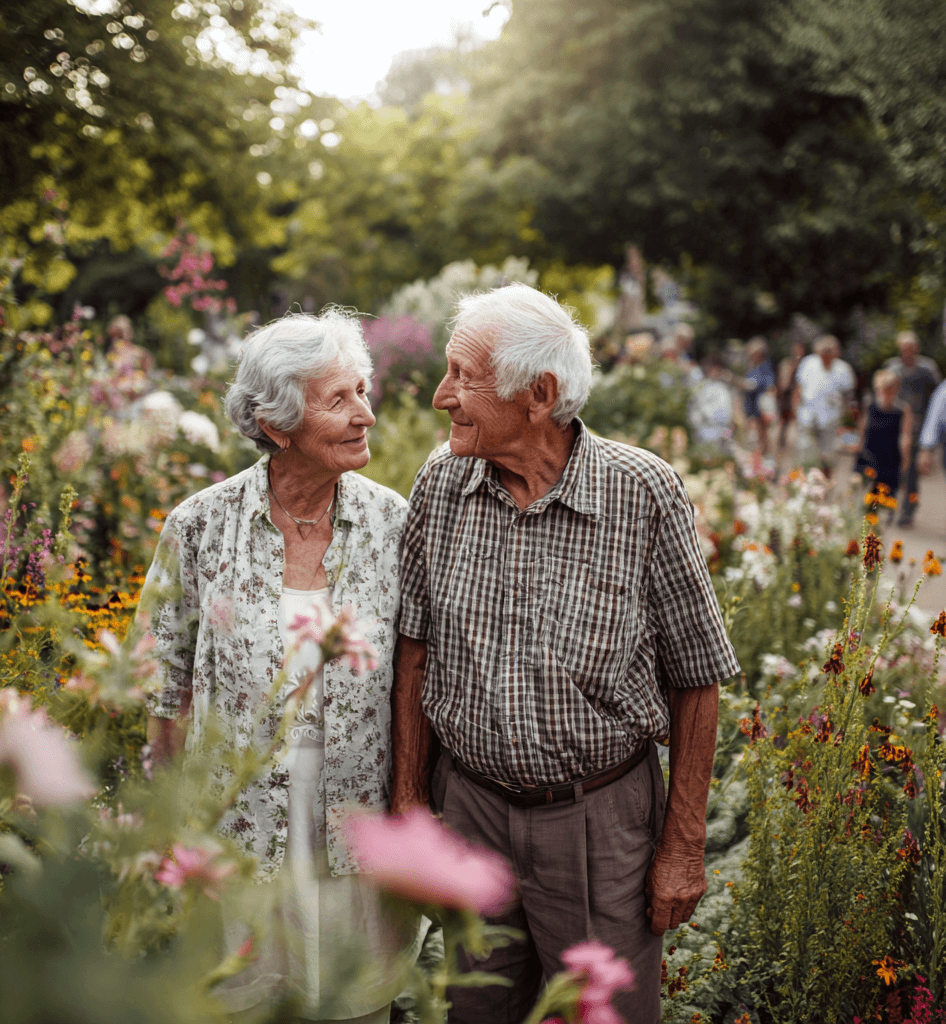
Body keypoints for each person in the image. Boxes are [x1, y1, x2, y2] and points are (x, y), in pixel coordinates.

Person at [391, 284, 741, 1024]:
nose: (439, 396)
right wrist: (411, 802)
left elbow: (699, 679)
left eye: (463, 376)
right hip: (471, 814)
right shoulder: (442, 482)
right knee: (470, 1012)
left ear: (539, 394)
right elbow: (413, 652)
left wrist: (683, 846)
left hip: (597, 826)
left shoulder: (641, 493)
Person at [140, 310, 419, 1024]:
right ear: (277, 424)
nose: (367, 414)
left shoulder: (394, 525)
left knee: (356, 1002)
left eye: (363, 391)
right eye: (339, 399)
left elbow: (420, 679)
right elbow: (162, 688)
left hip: (355, 829)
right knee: (242, 1004)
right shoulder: (199, 526)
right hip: (237, 832)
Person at [883, 331, 941, 526]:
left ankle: (909, 509)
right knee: (892, 467)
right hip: (894, 425)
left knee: (912, 473)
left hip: (918, 426)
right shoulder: (892, 368)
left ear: (916, 349)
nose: (907, 352)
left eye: (910, 349)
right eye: (903, 349)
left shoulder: (928, 369)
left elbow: (937, 398)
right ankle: (889, 506)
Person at [794, 335, 856, 476]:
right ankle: (804, 483)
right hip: (808, 416)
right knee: (806, 451)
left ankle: (825, 485)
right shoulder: (808, 363)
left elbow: (849, 398)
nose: (825, 357)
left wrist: (848, 422)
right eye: (822, 353)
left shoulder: (843, 369)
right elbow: (798, 389)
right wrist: (795, 410)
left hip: (830, 418)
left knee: (828, 455)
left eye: (829, 353)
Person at [854, 369, 912, 515]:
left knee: (885, 502)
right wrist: (857, 452)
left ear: (896, 389)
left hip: (890, 460)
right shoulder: (870, 406)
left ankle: (877, 529)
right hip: (870, 457)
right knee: (866, 501)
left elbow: (905, 437)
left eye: (890, 390)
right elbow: (862, 430)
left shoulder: (903, 410)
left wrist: (906, 460)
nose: (886, 393)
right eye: (882, 389)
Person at [738, 337, 777, 460]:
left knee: (763, 436)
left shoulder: (765, 366)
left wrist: (739, 382)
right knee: (754, 437)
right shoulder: (752, 366)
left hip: (761, 409)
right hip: (752, 407)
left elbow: (766, 386)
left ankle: (767, 461)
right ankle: (757, 461)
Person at [776, 340, 806, 453]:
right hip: (787, 398)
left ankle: (797, 450)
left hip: (801, 398)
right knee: (783, 425)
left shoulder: (806, 365)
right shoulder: (787, 363)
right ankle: (781, 449)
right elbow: (783, 384)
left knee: (797, 426)